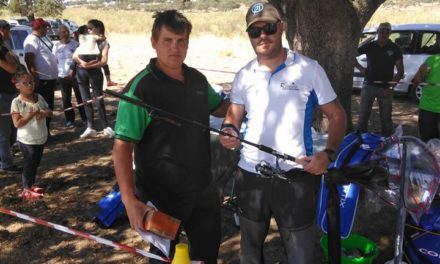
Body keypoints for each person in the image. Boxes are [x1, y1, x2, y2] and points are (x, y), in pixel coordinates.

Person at [219, 2, 346, 263]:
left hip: (296, 178)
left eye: (268, 27)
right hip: (250, 175)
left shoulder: (309, 69)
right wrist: (228, 131)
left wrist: (328, 154)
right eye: (255, 32)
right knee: (250, 252)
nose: (262, 36)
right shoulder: (244, 74)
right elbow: (233, 115)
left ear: (282, 27)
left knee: (300, 254)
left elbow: (337, 116)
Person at [112, 10, 229, 263]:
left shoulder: (197, 80)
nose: (175, 48)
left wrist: (245, 104)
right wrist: (129, 200)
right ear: (154, 42)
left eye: (181, 41)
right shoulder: (140, 89)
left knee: (207, 254)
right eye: (167, 41)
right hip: (160, 197)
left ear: (188, 42)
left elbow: (220, 106)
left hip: (202, 190)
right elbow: (122, 148)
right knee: (162, 257)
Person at [355, 22, 404, 136]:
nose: (384, 33)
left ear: (390, 33)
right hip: (369, 85)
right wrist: (361, 68)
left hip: (386, 88)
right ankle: (359, 141)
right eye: (382, 30)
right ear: (378, 32)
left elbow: (400, 71)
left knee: (386, 118)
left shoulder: (395, 48)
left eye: (387, 31)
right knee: (363, 116)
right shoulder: (370, 45)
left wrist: (391, 87)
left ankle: (387, 143)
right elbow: (352, 54)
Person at [11, 71, 52, 200]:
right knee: (29, 163)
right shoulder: (16, 102)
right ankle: (26, 189)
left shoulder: (39, 97)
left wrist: (44, 113)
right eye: (25, 83)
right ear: (18, 85)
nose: (29, 85)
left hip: (40, 137)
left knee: (36, 162)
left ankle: (31, 185)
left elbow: (50, 112)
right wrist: (31, 115)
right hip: (27, 139)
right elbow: (17, 123)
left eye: (31, 82)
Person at [73, 19, 114, 138]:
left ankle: (105, 126)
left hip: (95, 73)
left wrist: (88, 65)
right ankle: (90, 127)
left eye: (91, 28)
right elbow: (74, 56)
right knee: (85, 100)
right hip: (81, 73)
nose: (88, 30)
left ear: (98, 28)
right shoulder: (84, 40)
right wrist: (82, 63)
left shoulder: (104, 43)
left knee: (99, 99)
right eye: (88, 28)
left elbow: (104, 61)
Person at [24, 18, 58, 134]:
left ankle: (46, 131)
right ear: (39, 28)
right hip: (42, 80)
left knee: (48, 105)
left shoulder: (39, 39)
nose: (47, 29)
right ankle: (43, 132)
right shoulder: (32, 39)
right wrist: (35, 77)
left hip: (49, 79)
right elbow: (28, 59)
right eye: (45, 27)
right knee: (43, 106)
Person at [52, 24, 86, 128]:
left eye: (67, 31)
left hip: (75, 76)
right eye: (63, 32)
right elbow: (54, 61)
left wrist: (73, 72)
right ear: (59, 34)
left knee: (81, 98)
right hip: (62, 77)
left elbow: (78, 60)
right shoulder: (56, 46)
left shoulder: (75, 44)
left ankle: (85, 118)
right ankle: (70, 120)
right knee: (66, 100)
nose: (66, 34)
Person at [0, 26, 20, 173]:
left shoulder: (4, 50)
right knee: (4, 133)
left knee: (12, 131)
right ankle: (6, 164)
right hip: (2, 97)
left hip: (10, 93)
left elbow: (14, 68)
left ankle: (5, 158)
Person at [412, 53, 440, 141]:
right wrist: (420, 72)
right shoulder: (432, 59)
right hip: (428, 107)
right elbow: (418, 80)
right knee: (427, 141)